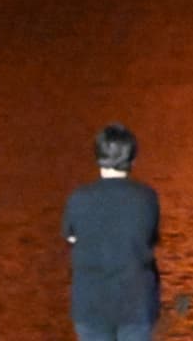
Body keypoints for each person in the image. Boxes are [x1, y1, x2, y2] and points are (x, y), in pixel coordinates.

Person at [62, 124, 160, 341]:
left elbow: (71, 237)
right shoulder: (146, 197)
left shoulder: (79, 198)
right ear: (132, 158)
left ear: (98, 156)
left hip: (91, 303)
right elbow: (150, 239)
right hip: (136, 302)